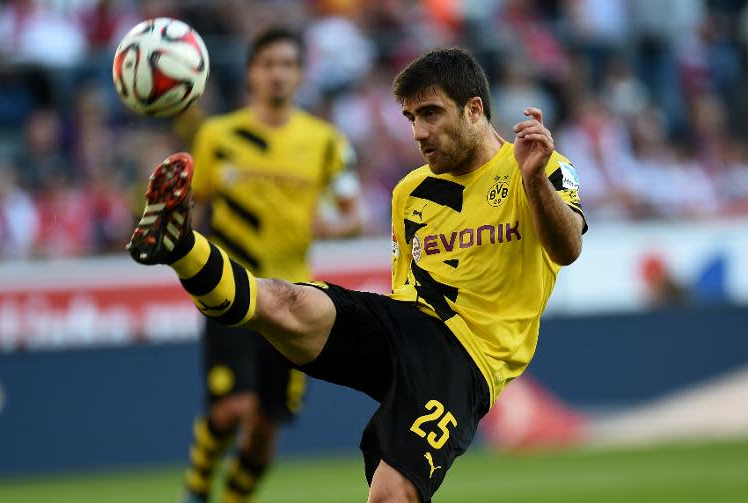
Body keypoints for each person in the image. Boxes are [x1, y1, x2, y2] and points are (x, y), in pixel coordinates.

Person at [128, 48, 587, 503]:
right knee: (287, 303)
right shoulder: (409, 191)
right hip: (408, 325)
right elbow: (405, 286)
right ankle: (180, 246)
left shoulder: (540, 165)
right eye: (410, 118)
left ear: (474, 110)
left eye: (430, 114)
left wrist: (533, 183)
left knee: (389, 496)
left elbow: (567, 250)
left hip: (468, 360)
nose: (418, 133)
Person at [176, 28, 363, 503]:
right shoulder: (217, 136)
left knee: (264, 428)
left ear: (299, 75)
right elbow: (196, 212)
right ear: (251, 74)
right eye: (267, 64)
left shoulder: (325, 141)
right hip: (232, 290)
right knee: (232, 409)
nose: (277, 73)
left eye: (287, 64)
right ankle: (197, 488)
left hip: (292, 298)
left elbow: (353, 214)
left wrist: (330, 227)